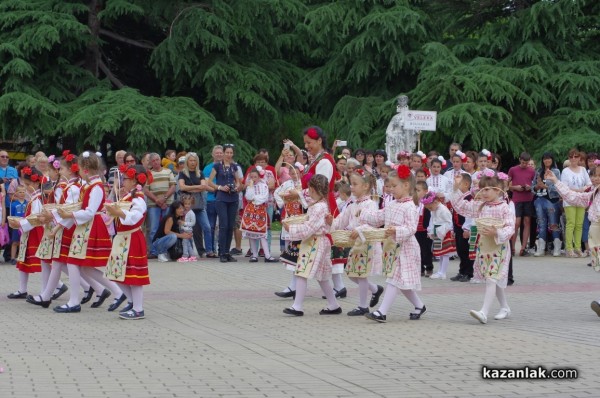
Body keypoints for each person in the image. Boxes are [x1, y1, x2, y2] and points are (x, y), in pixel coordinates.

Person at [53, 152, 124, 313]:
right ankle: (119, 292)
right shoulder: (90, 185)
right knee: (85, 267)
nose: (77, 171)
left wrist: (70, 214)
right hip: (85, 227)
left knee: (73, 262)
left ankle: (74, 301)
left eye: (79, 168)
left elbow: (91, 211)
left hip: (90, 227)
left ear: (86, 169)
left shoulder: (96, 187)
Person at [360, 165, 426, 323]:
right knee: (400, 282)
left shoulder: (410, 207)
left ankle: (381, 312)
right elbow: (378, 218)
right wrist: (363, 213)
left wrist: (395, 230)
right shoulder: (392, 204)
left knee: (394, 279)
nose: (391, 189)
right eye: (390, 186)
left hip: (406, 249)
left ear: (406, 186)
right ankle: (419, 305)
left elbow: (411, 228)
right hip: (392, 248)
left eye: (394, 186)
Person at [451, 171, 515, 324]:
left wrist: (497, 232)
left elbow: (510, 227)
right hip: (485, 246)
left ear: (497, 190)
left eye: (487, 189)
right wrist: (457, 188)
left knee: (492, 278)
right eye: (482, 189)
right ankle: (505, 307)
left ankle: (484, 312)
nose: (484, 193)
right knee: (492, 277)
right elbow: (460, 206)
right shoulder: (480, 206)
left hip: (499, 247)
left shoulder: (504, 208)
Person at [281, 174, 341, 316]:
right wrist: (298, 193)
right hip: (317, 241)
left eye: (309, 189)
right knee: (322, 276)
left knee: (302, 272)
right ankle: (333, 305)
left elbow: (309, 228)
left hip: (315, 241)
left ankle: (297, 306)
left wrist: (292, 229)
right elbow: (306, 198)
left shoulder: (319, 207)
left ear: (313, 189)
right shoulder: (319, 202)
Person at [544, 167, 600, 317]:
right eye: (593, 175)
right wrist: (556, 181)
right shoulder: (593, 193)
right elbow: (573, 196)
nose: (595, 178)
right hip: (595, 231)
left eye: (599, 176)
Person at [330, 170, 383, 316]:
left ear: (365, 186)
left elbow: (373, 223)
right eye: (351, 184)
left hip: (367, 244)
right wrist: (331, 222)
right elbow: (341, 221)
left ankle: (363, 306)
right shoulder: (352, 205)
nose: (351, 187)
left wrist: (360, 229)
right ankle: (374, 289)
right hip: (356, 244)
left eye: (355, 184)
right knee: (352, 274)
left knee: (361, 274)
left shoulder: (370, 204)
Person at [104, 165, 152, 319]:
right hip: (122, 238)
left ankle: (138, 308)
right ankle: (131, 301)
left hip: (132, 238)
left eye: (125, 178)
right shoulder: (128, 196)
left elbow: (134, 217)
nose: (122, 181)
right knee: (115, 272)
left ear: (134, 181)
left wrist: (119, 212)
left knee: (134, 274)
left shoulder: (138, 198)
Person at [6, 167, 44, 299]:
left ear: (37, 183)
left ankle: (56, 286)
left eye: (28, 185)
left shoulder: (38, 199)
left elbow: (35, 219)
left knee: (41, 262)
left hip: (35, 233)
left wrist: (21, 224)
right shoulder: (33, 198)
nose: (27, 188)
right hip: (28, 232)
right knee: (23, 260)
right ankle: (22, 289)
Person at [207, 144, 242, 263]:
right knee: (223, 225)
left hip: (233, 198)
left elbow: (238, 182)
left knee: (231, 225)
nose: (229, 155)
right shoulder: (217, 166)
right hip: (221, 198)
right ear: (223, 153)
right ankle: (222, 252)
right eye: (227, 152)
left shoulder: (234, 167)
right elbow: (209, 182)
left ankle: (227, 252)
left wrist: (236, 187)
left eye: (231, 153)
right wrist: (220, 187)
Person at [178, 152, 212, 258]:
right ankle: (193, 252)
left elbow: (204, 186)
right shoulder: (183, 173)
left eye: (194, 160)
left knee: (206, 227)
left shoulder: (200, 173)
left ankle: (209, 250)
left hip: (199, 205)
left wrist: (190, 187)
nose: (193, 162)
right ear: (187, 161)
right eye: (191, 160)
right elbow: (182, 187)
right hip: (187, 206)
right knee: (190, 229)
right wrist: (197, 187)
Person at [241, 167, 277, 262]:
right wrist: (252, 189)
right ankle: (254, 255)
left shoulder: (264, 185)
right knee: (252, 233)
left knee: (262, 233)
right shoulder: (250, 186)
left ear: (259, 177)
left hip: (260, 210)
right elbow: (248, 197)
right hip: (251, 211)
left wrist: (254, 199)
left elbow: (264, 198)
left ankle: (267, 255)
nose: (253, 179)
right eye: (251, 177)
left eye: (255, 177)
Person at [560, 149, 591, 257]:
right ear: (568, 158)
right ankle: (569, 248)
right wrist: (580, 190)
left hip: (581, 200)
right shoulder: (565, 171)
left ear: (579, 158)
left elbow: (589, 184)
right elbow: (565, 188)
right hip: (570, 200)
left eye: (576, 156)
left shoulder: (583, 169)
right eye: (571, 156)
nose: (573, 158)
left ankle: (577, 247)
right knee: (571, 224)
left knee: (579, 224)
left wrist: (581, 190)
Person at [144, 153, 176, 253]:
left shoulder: (168, 171)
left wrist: (164, 198)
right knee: (153, 229)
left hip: (168, 203)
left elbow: (173, 186)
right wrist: (157, 200)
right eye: (153, 161)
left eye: (157, 159)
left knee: (167, 228)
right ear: (150, 162)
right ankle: (154, 251)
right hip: (154, 205)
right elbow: (146, 189)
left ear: (160, 160)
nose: (156, 162)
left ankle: (165, 250)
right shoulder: (148, 174)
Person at [532, 152, 562, 257]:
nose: (547, 160)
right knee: (541, 223)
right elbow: (533, 186)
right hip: (539, 200)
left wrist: (545, 187)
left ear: (552, 160)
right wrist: (536, 187)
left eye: (549, 158)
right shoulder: (538, 171)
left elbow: (559, 186)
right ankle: (541, 248)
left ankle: (557, 248)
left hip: (552, 200)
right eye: (545, 159)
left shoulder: (556, 171)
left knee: (553, 224)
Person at [422, 191, 455, 280]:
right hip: (436, 233)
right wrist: (431, 231)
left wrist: (440, 232)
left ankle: (443, 272)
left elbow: (449, 223)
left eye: (430, 207)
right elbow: (432, 221)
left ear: (435, 202)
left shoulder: (443, 210)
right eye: (428, 208)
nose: (430, 209)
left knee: (445, 254)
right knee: (440, 254)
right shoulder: (434, 210)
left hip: (443, 233)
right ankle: (440, 271)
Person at [508, 152, 536, 256]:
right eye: (523, 162)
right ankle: (512, 247)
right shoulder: (513, 170)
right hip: (517, 199)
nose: (525, 165)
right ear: (520, 160)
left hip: (528, 198)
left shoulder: (532, 171)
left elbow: (535, 184)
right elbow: (507, 184)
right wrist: (515, 187)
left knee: (527, 221)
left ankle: (523, 248)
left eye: (527, 163)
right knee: (516, 223)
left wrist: (530, 187)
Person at [203, 146, 224, 258]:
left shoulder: (227, 166)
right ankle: (211, 250)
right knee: (211, 226)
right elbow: (206, 185)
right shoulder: (208, 168)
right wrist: (219, 189)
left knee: (223, 226)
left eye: (221, 153)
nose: (219, 155)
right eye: (217, 153)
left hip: (224, 200)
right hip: (211, 200)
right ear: (212, 154)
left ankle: (222, 249)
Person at [8, 185, 27, 265]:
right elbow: (11, 216)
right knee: (15, 241)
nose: (22, 194)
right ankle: (13, 258)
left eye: (23, 192)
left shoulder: (28, 203)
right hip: (16, 225)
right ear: (16, 193)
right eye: (20, 192)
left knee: (23, 241)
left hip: (25, 225)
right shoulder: (13, 204)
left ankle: (21, 257)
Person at [178, 194, 197, 262]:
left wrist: (184, 223)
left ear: (191, 204)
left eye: (189, 204)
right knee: (188, 244)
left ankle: (185, 256)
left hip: (188, 230)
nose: (187, 205)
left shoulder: (191, 213)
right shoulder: (184, 212)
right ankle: (192, 256)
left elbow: (193, 223)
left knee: (185, 243)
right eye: (185, 204)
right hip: (184, 229)